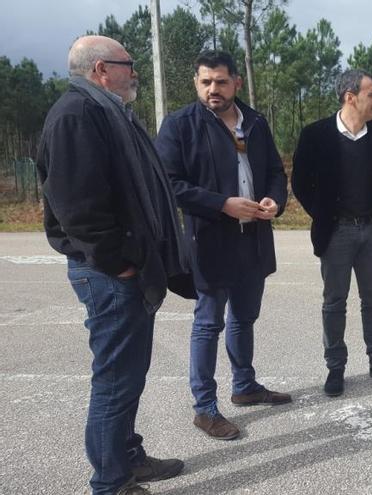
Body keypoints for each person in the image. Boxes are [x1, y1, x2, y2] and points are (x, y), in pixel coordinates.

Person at [36, 35, 193, 495]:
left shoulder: (104, 111)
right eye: (128, 65)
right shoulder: (76, 115)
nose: (135, 73)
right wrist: (118, 263)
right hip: (109, 273)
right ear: (102, 69)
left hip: (123, 269)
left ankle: (127, 457)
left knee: (127, 374)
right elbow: (77, 205)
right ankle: (110, 482)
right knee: (115, 380)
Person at [155, 50, 290, 441]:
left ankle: (245, 387)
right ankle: (205, 408)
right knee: (208, 323)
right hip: (210, 240)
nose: (213, 89)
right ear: (197, 83)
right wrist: (221, 204)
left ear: (236, 83)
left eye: (220, 81)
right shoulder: (180, 125)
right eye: (205, 82)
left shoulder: (257, 122)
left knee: (245, 318)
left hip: (255, 240)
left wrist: (274, 200)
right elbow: (170, 184)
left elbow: (276, 172)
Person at [292, 69, 372, 397]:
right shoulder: (316, 135)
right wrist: (326, 215)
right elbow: (300, 183)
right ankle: (335, 367)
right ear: (350, 97)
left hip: (371, 229)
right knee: (334, 302)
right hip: (336, 233)